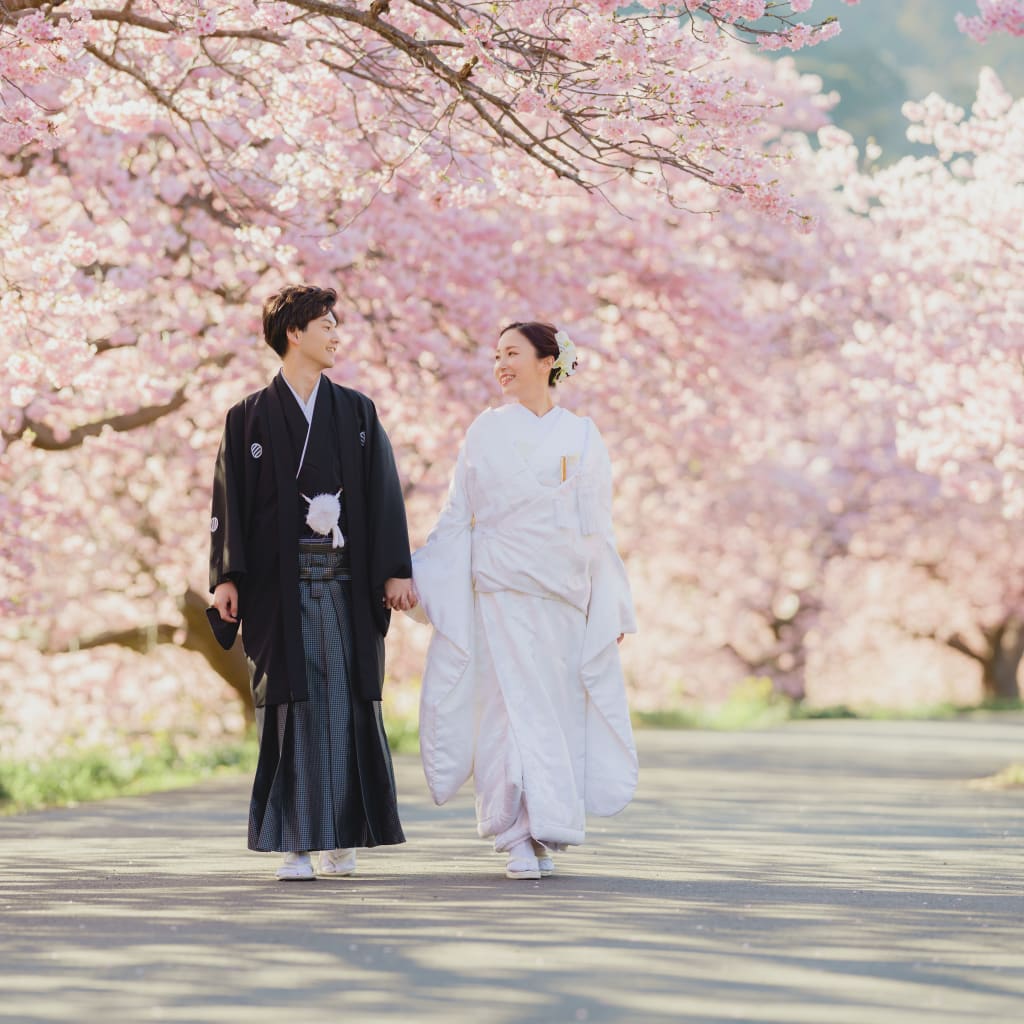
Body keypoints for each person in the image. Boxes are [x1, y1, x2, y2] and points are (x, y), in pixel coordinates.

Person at [410, 321, 638, 880]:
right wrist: (414, 574)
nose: (501, 364)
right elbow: (458, 513)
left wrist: (608, 605)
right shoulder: (484, 432)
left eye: (512, 353)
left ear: (548, 361)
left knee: (554, 711)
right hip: (502, 589)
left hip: (562, 594)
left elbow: (597, 530)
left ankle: (543, 827)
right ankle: (512, 833)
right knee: (507, 711)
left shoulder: (583, 435)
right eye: (496, 356)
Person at [208, 284, 416, 881]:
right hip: (278, 589)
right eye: (326, 323)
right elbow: (230, 503)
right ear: (293, 332)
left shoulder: (355, 411)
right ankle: (294, 843)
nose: (336, 334)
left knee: (346, 705)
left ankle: (341, 837)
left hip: (344, 584)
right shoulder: (246, 417)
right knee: (288, 707)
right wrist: (226, 576)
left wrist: (395, 569)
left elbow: (383, 494)